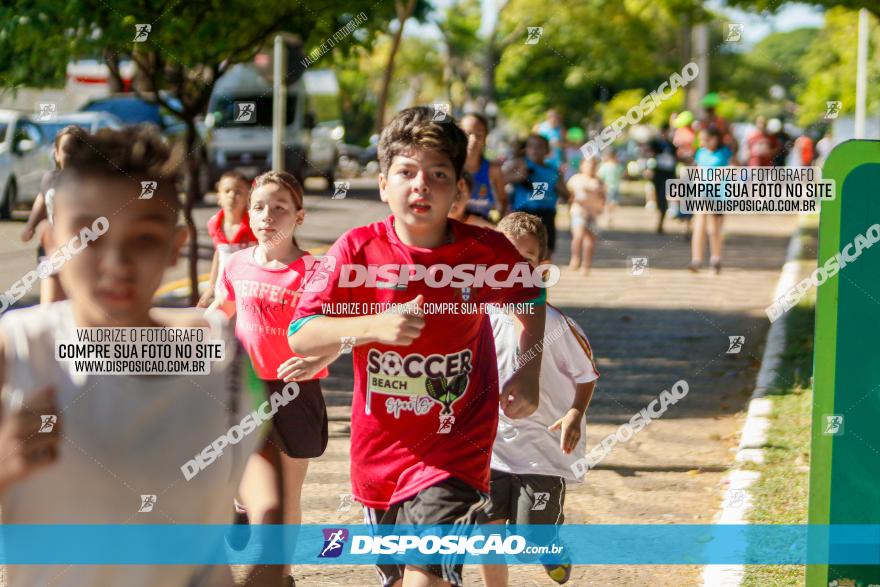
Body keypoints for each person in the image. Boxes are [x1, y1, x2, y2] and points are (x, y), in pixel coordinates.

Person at [287, 106, 547, 587]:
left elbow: (531, 298)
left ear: (457, 188)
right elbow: (301, 331)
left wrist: (528, 369)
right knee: (402, 578)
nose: (420, 185)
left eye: (437, 174)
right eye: (406, 172)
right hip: (379, 454)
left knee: (423, 575)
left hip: (456, 447)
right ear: (384, 184)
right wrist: (371, 326)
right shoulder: (356, 250)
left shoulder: (485, 252)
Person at [0, 126, 270, 586]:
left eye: (143, 237)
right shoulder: (17, 354)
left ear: (175, 247)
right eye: (88, 235)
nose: (116, 262)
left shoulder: (219, 355)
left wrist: (270, 562)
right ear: (50, 244)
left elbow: (258, 459)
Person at [208, 170, 334, 585]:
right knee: (238, 475)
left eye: (280, 208)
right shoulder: (238, 263)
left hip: (297, 390)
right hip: (243, 389)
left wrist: (317, 362)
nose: (268, 216)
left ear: (299, 216)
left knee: (286, 494)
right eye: (259, 206)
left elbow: (339, 331)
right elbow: (220, 311)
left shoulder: (316, 272)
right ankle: (242, 506)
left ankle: (281, 574)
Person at [479, 212, 599, 587]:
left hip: (542, 451)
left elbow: (587, 373)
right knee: (488, 531)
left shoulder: (555, 324)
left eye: (525, 260)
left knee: (530, 541)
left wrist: (575, 413)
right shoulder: (479, 317)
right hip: (490, 446)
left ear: (541, 268)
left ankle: (550, 548)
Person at [20, 125, 88, 305]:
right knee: (49, 304)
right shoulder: (50, 179)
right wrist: (30, 225)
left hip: (82, 253)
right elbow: (42, 198)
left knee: (77, 304)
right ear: (57, 154)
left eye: (77, 151)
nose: (72, 156)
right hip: (51, 251)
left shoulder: (91, 183)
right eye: (66, 151)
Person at [198, 171, 258, 307]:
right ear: (219, 196)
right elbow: (219, 254)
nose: (232, 196)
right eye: (227, 191)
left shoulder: (254, 225)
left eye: (238, 192)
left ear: (248, 198)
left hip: (249, 292)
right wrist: (210, 289)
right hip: (222, 291)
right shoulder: (214, 223)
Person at [507, 134, 570, 257]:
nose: (535, 149)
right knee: (520, 249)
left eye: (540, 146)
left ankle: (542, 275)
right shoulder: (520, 164)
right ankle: (522, 274)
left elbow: (567, 195)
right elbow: (502, 180)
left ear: (547, 151)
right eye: (531, 146)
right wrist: (519, 176)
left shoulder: (553, 170)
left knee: (546, 250)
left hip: (547, 214)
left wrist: (560, 188)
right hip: (523, 213)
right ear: (526, 149)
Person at [690, 127, 735, 274]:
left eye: (707, 139)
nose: (703, 142)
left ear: (715, 138)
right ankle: (696, 260)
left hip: (718, 193)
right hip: (702, 192)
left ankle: (716, 258)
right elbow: (696, 171)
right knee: (699, 224)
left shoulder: (724, 153)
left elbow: (732, 169)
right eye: (701, 139)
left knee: (714, 227)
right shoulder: (700, 153)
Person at [461, 113, 507, 221]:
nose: (473, 139)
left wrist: (496, 225)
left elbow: (503, 201)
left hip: (481, 232)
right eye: (467, 134)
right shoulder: (450, 168)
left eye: (479, 134)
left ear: (486, 137)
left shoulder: (493, 170)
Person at [565, 157, 605, 274]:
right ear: (582, 165)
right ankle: (575, 258)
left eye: (593, 165)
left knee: (590, 240)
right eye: (588, 164)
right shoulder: (575, 179)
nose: (590, 167)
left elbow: (603, 196)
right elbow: (569, 195)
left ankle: (586, 264)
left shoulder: (598, 181)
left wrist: (601, 207)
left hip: (592, 213)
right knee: (578, 236)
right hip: (578, 212)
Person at [645, 125, 678, 234]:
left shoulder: (672, 146)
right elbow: (650, 155)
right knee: (659, 196)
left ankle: (661, 220)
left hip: (668, 174)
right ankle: (659, 215)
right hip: (658, 174)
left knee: (663, 197)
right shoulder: (655, 144)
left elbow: (675, 158)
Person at [597, 149, 623, 228]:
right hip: (607, 188)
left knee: (614, 203)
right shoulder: (605, 166)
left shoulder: (618, 166)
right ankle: (608, 216)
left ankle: (609, 214)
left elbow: (622, 174)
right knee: (609, 202)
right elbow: (600, 176)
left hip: (616, 188)